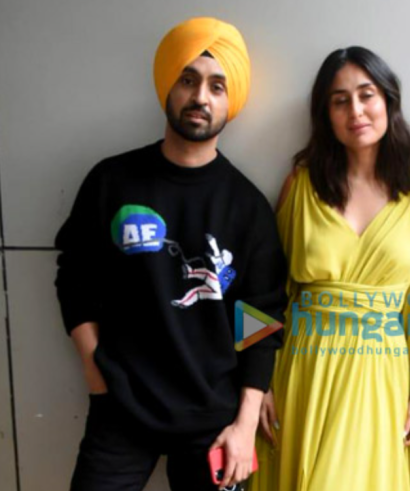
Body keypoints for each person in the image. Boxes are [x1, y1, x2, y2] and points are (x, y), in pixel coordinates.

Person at [54, 17, 287, 491]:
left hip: (213, 417)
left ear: (230, 101)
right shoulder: (111, 181)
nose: (201, 97)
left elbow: (261, 321)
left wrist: (244, 426)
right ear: (169, 87)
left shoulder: (248, 207)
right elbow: (75, 278)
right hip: (121, 408)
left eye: (217, 86)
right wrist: (96, 372)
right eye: (188, 80)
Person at [250, 46, 410, 491]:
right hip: (304, 367)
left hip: (381, 372)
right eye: (340, 100)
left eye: (366, 95)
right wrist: (257, 384)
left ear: (388, 100)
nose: (355, 110)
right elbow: (263, 290)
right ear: (326, 115)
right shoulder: (300, 184)